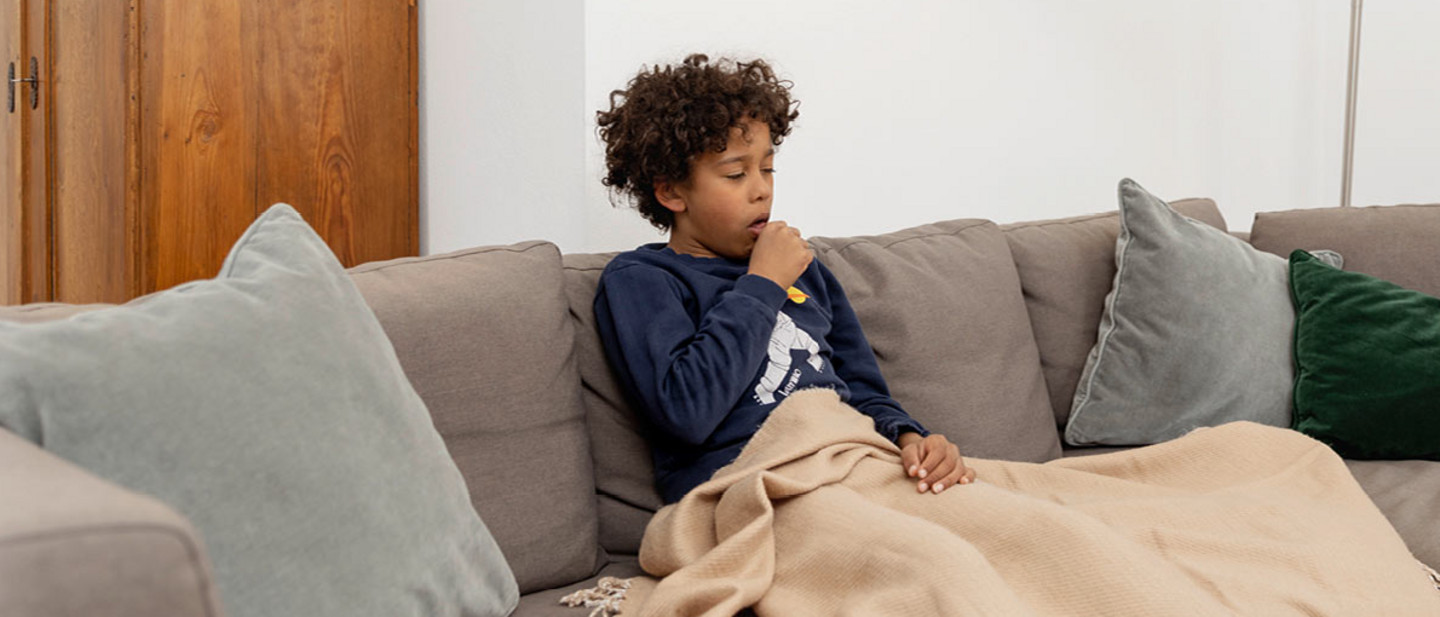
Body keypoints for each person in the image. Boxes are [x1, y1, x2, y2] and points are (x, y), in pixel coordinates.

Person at [593, 53, 974, 505]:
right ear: (671, 191)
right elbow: (687, 412)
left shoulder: (803, 266)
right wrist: (763, 284)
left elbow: (862, 391)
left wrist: (910, 438)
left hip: (849, 460)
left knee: (1008, 515)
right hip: (750, 486)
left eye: (767, 168)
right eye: (736, 173)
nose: (762, 189)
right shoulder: (643, 280)